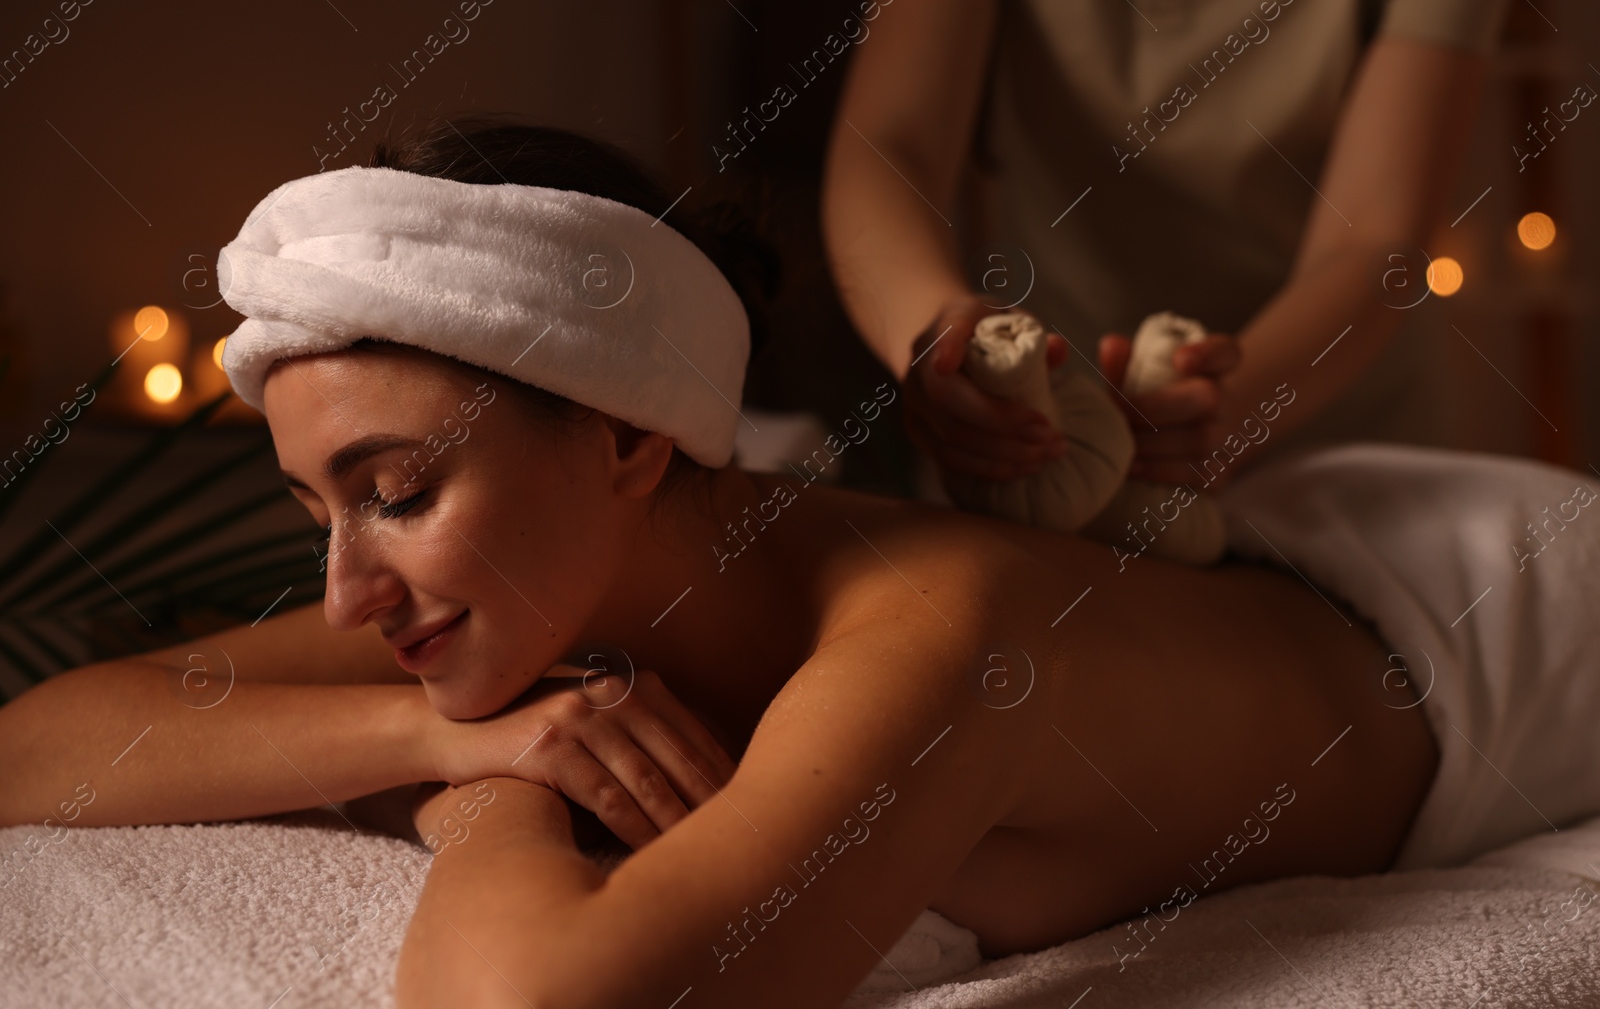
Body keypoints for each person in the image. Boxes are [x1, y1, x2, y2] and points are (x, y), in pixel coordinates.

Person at [7, 116, 1589, 1009]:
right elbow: (36, 738)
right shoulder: (543, 585)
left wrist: (486, 791)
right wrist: (442, 725)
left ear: (629, 439)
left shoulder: (933, 635)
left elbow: (544, 1005)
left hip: (1497, 614)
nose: (350, 589)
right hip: (1255, 575)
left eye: (399, 488)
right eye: (315, 507)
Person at [821, 0, 1531, 491]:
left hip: (1341, 443)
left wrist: (1232, 402)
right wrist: (933, 331)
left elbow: (1374, 236)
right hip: (1038, 446)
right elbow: (891, 147)